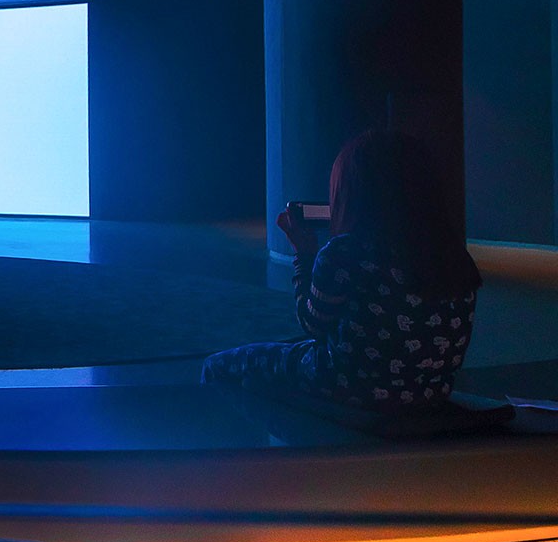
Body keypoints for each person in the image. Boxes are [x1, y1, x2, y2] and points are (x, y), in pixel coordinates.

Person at [203, 129, 482, 410]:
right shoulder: (452, 254)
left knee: (218, 366)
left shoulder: (344, 252)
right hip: (429, 395)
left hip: (346, 386)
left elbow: (312, 323)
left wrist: (305, 254)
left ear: (355, 194)